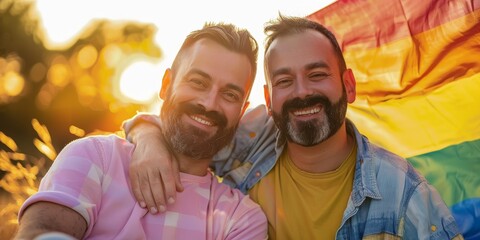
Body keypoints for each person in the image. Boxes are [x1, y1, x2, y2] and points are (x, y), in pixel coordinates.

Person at [123, 15, 463, 239]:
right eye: (285, 80)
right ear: (268, 100)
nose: (302, 93)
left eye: (317, 75)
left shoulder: (404, 192)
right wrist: (147, 136)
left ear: (349, 85)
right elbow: (185, 127)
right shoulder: (250, 136)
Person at [14, 23, 267, 240]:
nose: (209, 103)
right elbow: (42, 232)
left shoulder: (241, 217)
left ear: (242, 110)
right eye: (198, 82)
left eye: (230, 94)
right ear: (166, 85)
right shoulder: (95, 158)